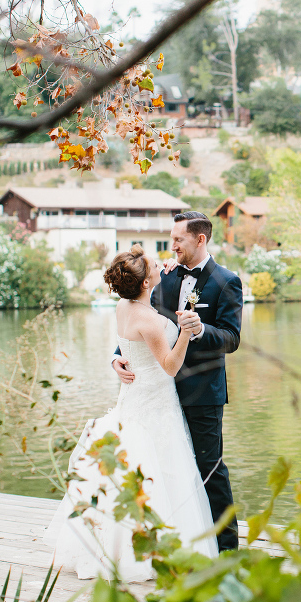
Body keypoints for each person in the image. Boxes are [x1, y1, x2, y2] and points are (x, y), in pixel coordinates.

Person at [46, 245, 218, 581]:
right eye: (155, 265)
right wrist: (184, 333)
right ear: (143, 284)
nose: (160, 264)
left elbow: (129, 346)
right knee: (163, 473)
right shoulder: (150, 321)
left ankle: (116, 545)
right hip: (155, 402)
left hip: (133, 398)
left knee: (130, 474)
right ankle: (151, 553)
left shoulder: (124, 307)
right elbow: (169, 366)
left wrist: (116, 358)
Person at [112, 211, 243, 553]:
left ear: (200, 240)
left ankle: (227, 551)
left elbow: (232, 337)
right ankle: (172, 543)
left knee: (210, 472)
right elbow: (142, 321)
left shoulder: (227, 282)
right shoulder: (163, 277)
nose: (172, 246)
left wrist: (200, 329)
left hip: (202, 394)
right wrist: (116, 356)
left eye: (178, 240)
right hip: (158, 395)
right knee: (162, 471)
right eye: (171, 240)